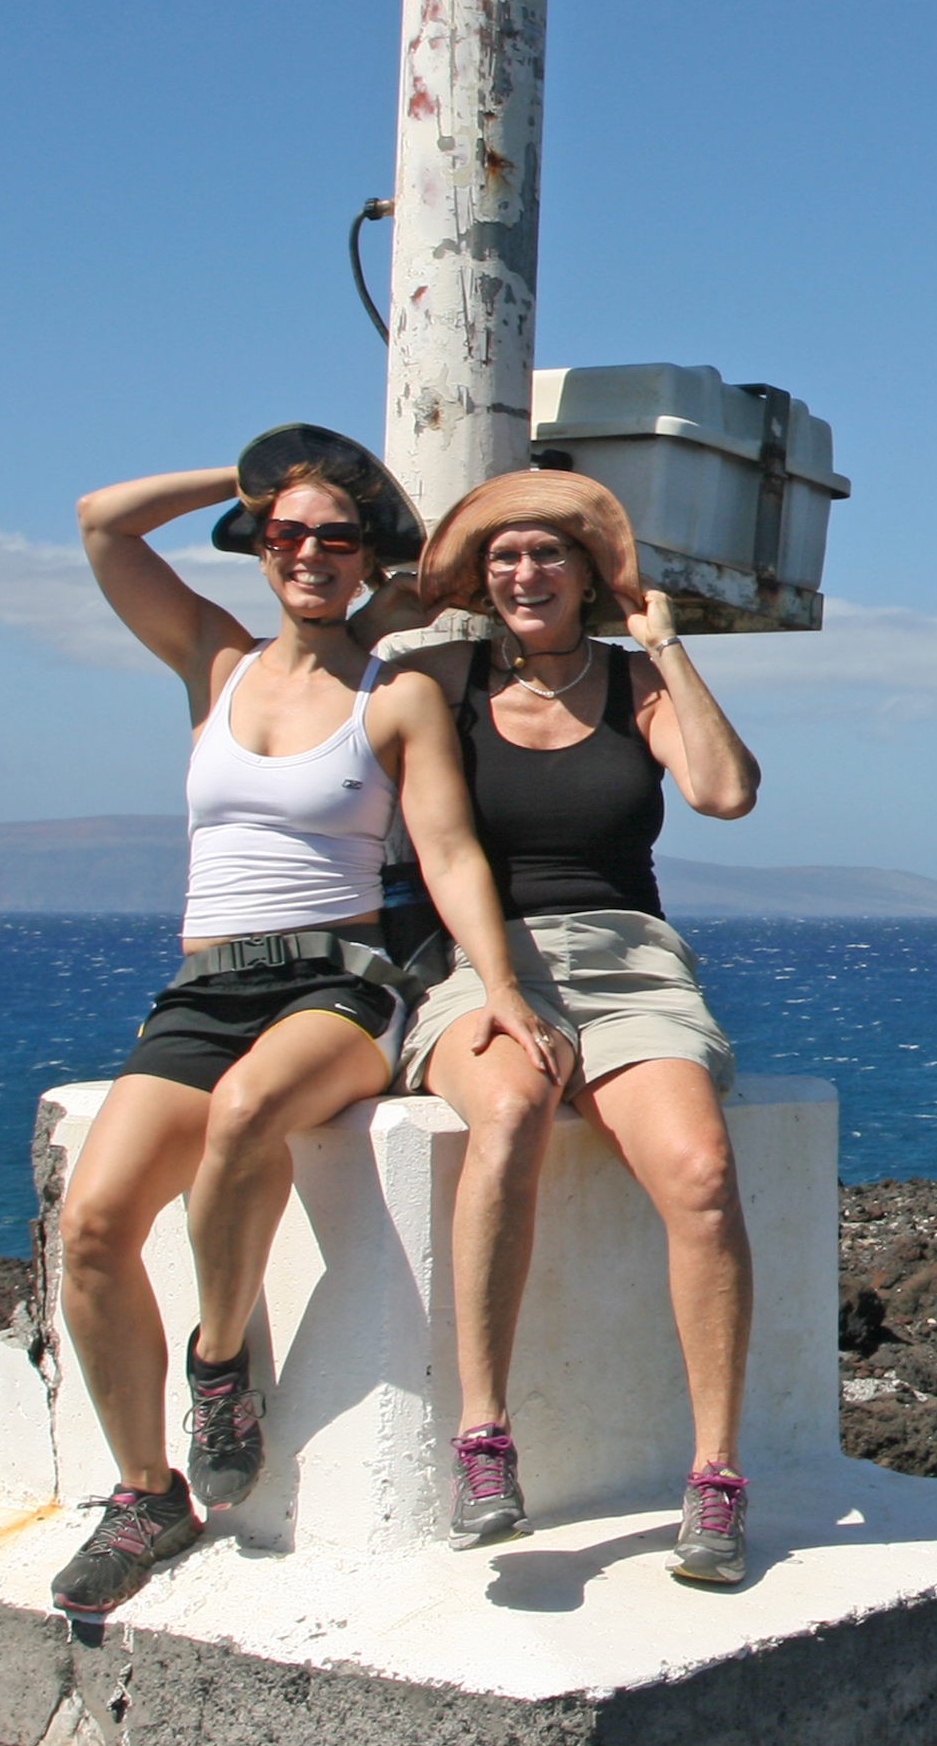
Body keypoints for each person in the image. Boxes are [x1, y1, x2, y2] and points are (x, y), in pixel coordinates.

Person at [49, 425, 568, 1618]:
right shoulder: (215, 660)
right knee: (92, 1224)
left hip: (340, 985)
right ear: (259, 543)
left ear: (366, 557)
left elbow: (450, 853)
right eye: (287, 532)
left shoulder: (396, 698)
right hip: (205, 987)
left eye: (337, 537)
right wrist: (251, 472)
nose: (310, 554)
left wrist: (500, 985)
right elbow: (101, 521)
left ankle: (218, 1360)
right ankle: (147, 1498)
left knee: (247, 1114)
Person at [378, 468, 767, 1582]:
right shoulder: (443, 684)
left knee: (700, 1173)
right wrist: (501, 986)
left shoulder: (635, 682)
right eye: (503, 555)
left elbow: (726, 792)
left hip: (629, 966)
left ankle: (716, 1475)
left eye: (549, 552)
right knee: (509, 1114)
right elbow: (433, 839)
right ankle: (485, 1440)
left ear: (591, 574)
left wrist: (667, 646)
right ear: (480, 579)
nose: (525, 572)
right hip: (486, 962)